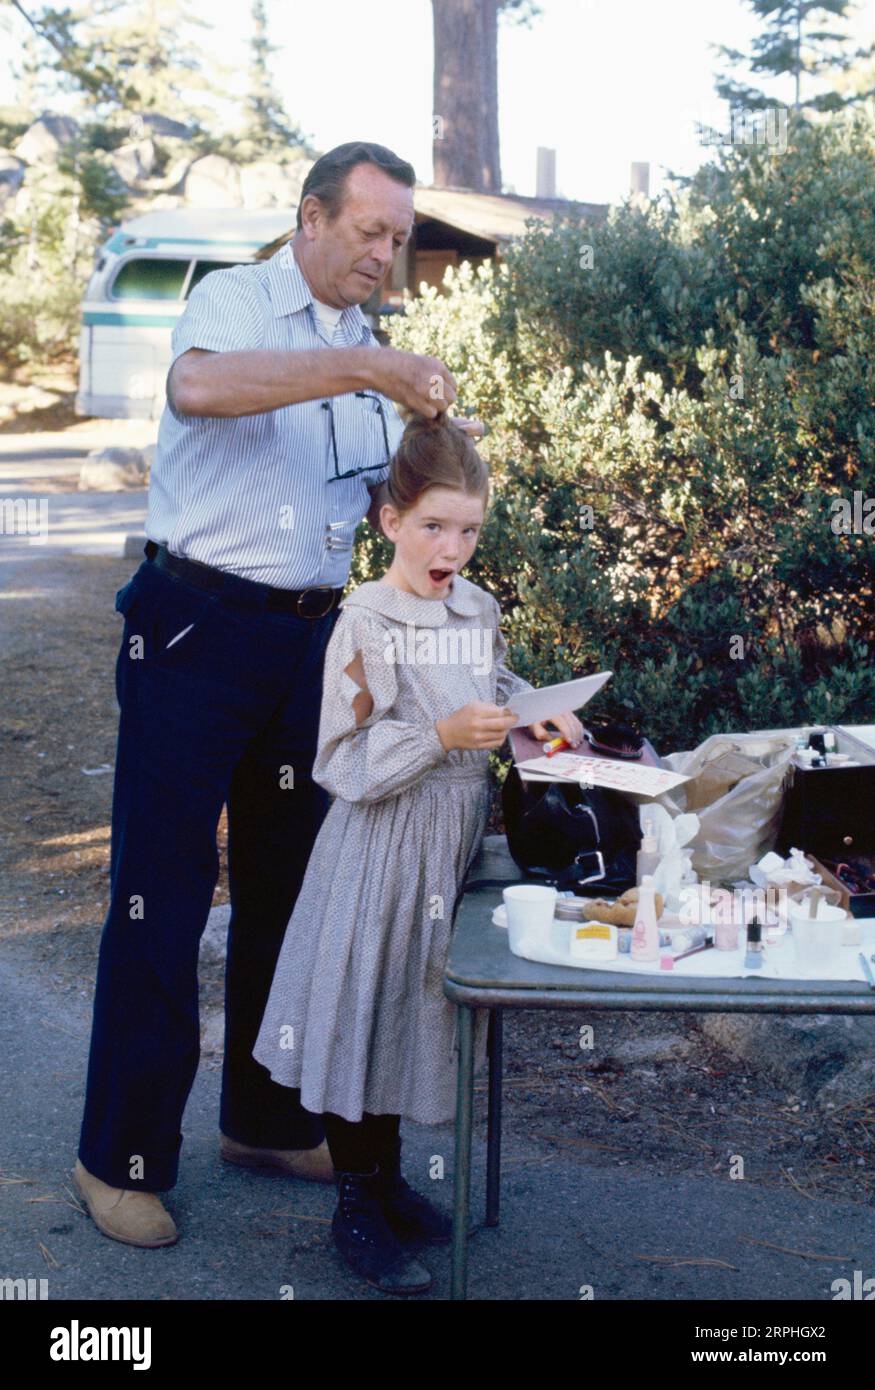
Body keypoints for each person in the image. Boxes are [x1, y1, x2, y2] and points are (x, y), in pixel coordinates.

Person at [72, 141, 485, 1249]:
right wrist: (369, 372)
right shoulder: (237, 296)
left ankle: (262, 1120)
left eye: (398, 239)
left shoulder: (367, 348)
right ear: (312, 217)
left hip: (309, 640)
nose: (386, 255)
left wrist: (444, 454)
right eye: (370, 232)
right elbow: (197, 387)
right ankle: (118, 1157)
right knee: (161, 894)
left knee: (288, 895)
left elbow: (377, 503)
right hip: (195, 625)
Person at [253, 412, 584, 1294]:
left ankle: (389, 1180)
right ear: (390, 522)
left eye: (470, 530)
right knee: (369, 1008)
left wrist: (535, 706)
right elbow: (341, 759)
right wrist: (439, 734)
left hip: (456, 843)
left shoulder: (477, 606)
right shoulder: (365, 621)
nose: (452, 548)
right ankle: (355, 1203)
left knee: (414, 1009)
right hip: (382, 845)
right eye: (434, 526)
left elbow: (493, 686)